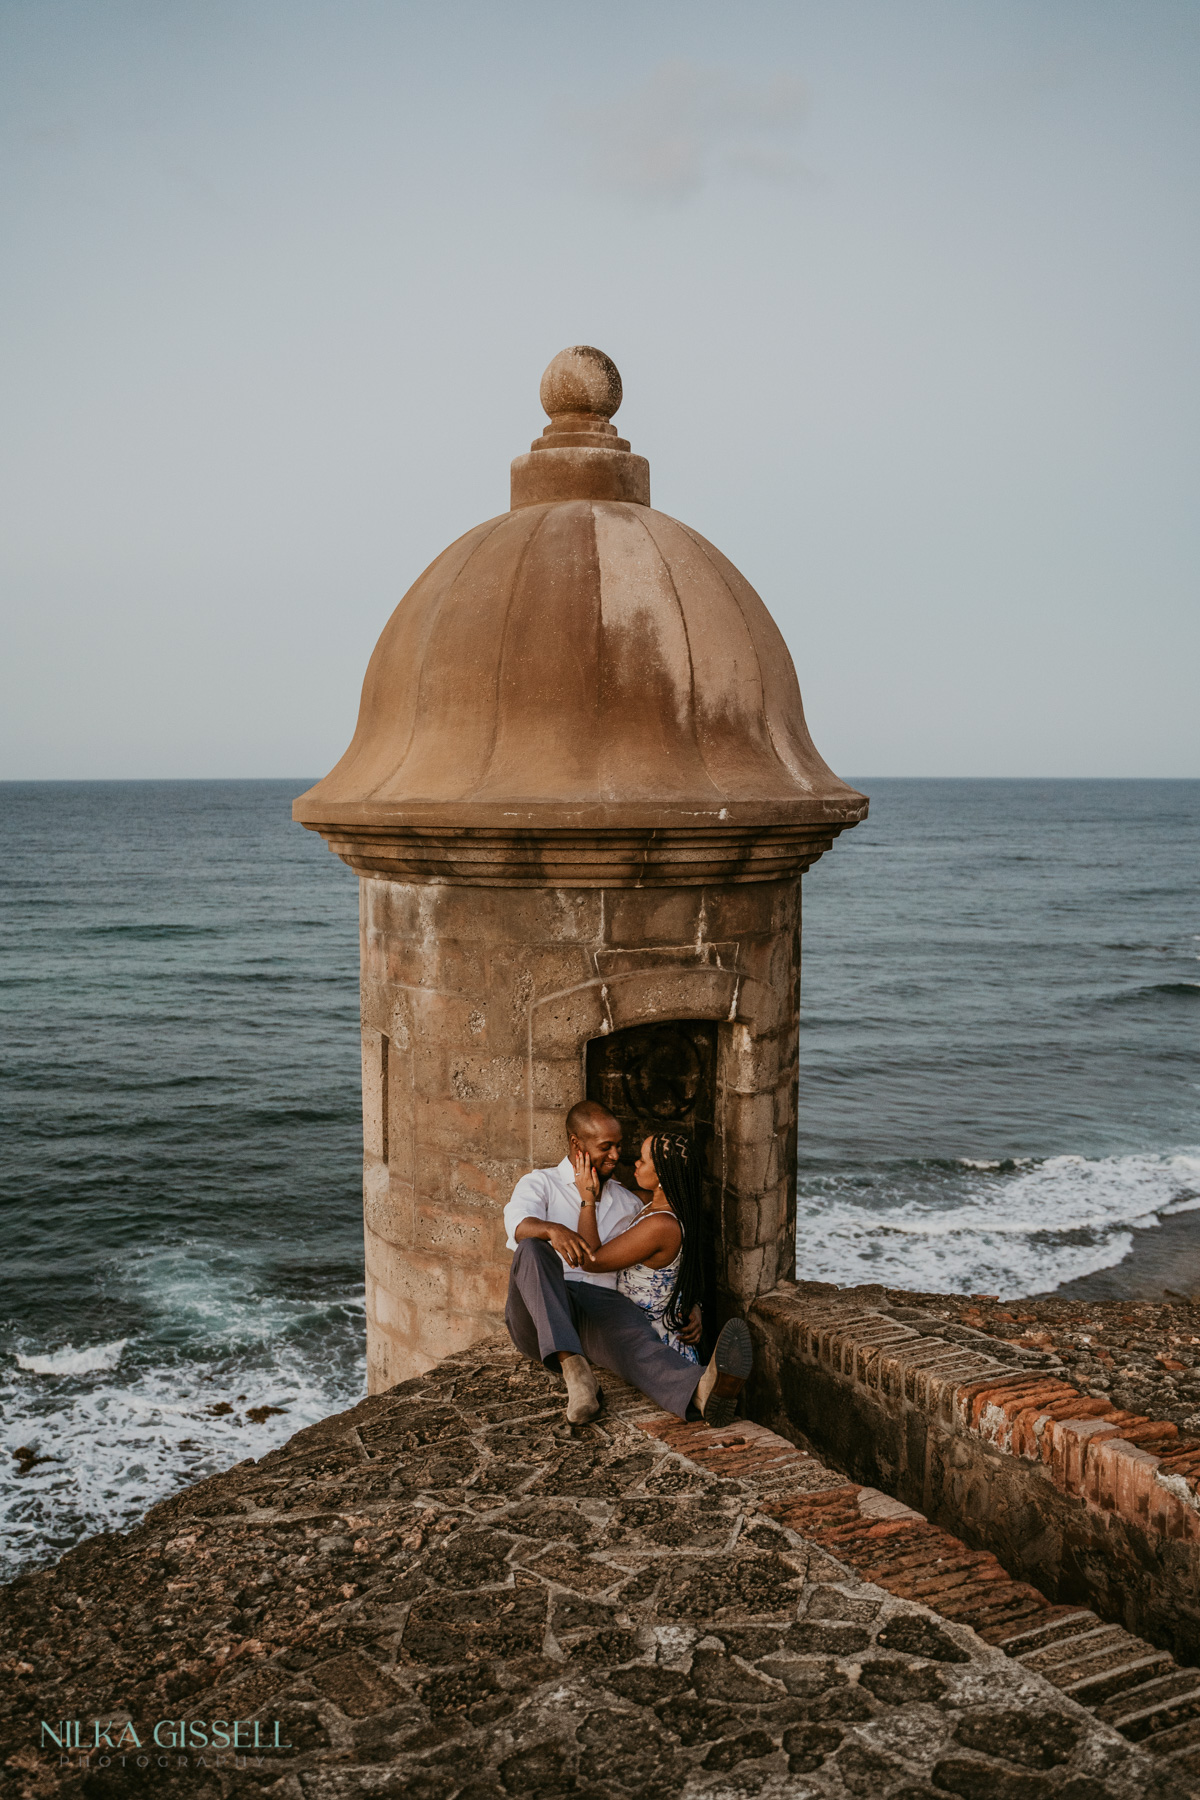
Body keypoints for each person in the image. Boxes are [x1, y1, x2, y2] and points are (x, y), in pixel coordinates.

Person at [504, 1099, 752, 1428]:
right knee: (532, 1248)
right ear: (577, 1144)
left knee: (637, 1342)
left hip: (599, 1312)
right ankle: (575, 1374)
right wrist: (553, 1230)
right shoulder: (540, 1183)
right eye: (606, 1147)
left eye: (619, 1146)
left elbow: (663, 1252)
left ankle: (700, 1390)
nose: (617, 1156)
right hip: (538, 1318)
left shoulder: (628, 1202)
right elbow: (517, 1224)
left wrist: (690, 1302)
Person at [572, 1129, 702, 1363]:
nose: (636, 1163)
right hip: (641, 1334)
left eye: (643, 1160)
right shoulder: (651, 1204)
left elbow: (592, 1260)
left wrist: (587, 1198)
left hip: (657, 1350)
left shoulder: (661, 1225)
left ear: (661, 1173)